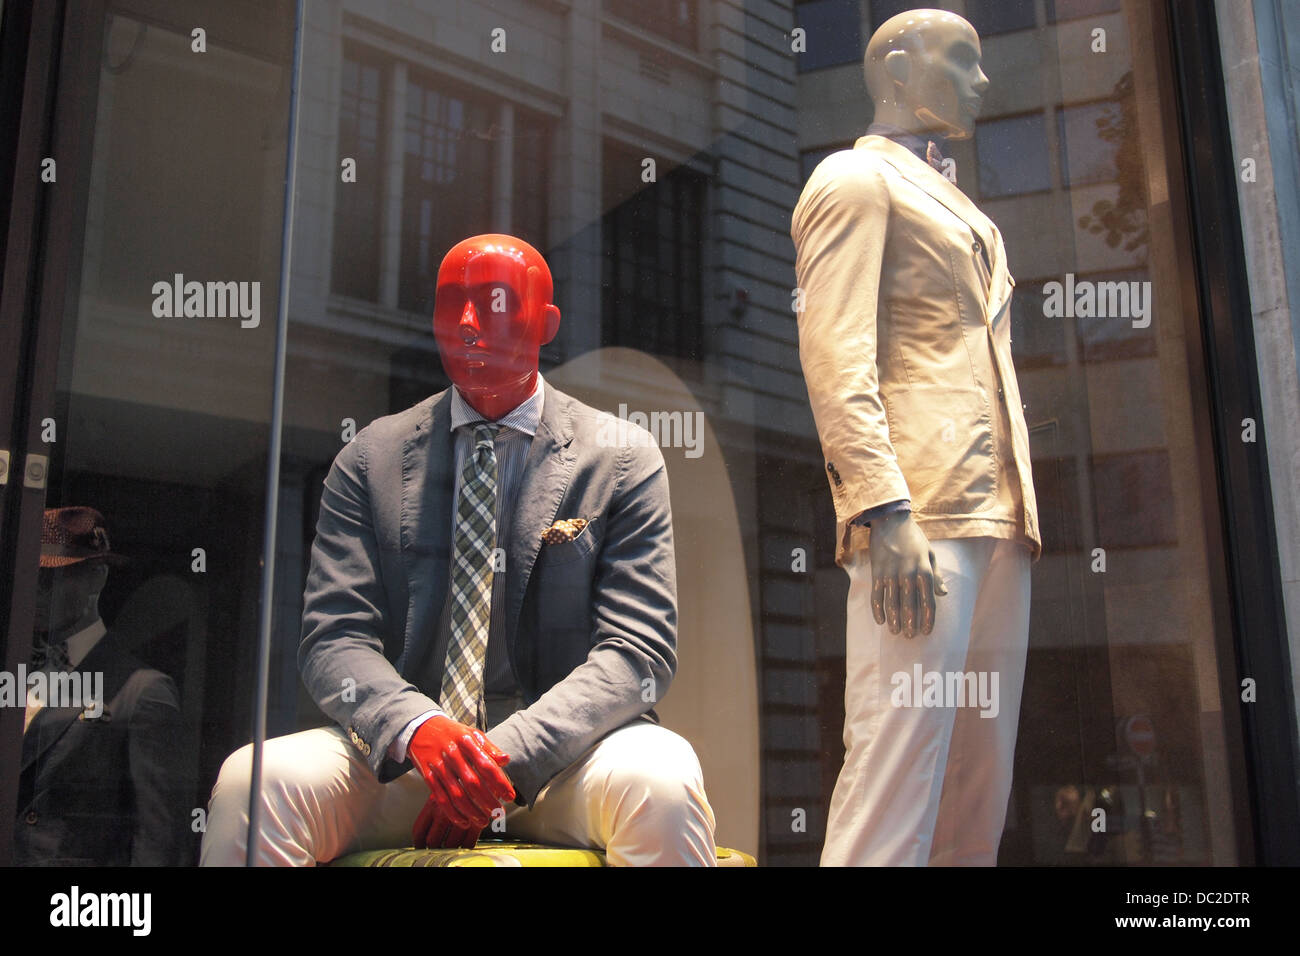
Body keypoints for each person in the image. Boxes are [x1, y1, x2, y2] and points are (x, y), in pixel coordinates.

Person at [200, 234, 716, 866]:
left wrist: (495, 759)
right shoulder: (368, 460)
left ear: (546, 323)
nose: (470, 324)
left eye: (496, 302)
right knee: (251, 784)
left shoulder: (622, 457)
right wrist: (422, 732)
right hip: (407, 763)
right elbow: (334, 639)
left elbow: (637, 651)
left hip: (565, 762)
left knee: (664, 784)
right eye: (452, 304)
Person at [791, 10, 1041, 866]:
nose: (983, 81)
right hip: (919, 514)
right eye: (961, 62)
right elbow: (835, 355)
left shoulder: (969, 211)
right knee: (894, 778)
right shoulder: (854, 182)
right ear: (896, 70)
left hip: (1000, 517)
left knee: (978, 793)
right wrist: (881, 507)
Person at [16, 506, 184, 866]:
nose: (39, 590)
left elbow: (156, 842)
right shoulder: (14, 669)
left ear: (96, 578)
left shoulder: (141, 693)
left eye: (54, 576)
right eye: (33, 575)